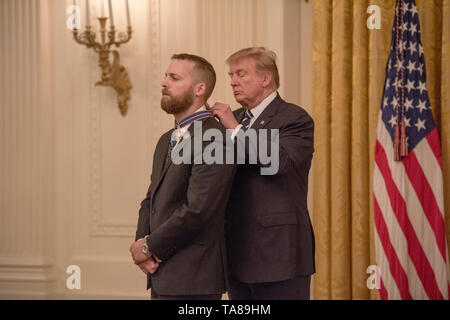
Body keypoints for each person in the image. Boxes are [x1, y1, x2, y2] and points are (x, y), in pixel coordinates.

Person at [211, 47, 315, 300]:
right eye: (231, 75)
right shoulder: (229, 121)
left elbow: (277, 161)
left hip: (279, 253)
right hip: (235, 251)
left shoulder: (294, 118)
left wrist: (235, 129)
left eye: (241, 74)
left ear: (265, 79)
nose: (233, 81)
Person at [130, 53, 235, 300]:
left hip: (194, 277)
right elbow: (150, 201)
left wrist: (149, 247)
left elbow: (198, 209)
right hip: (162, 272)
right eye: (165, 76)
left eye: (174, 78)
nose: (164, 83)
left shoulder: (213, 138)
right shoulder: (166, 140)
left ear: (200, 89)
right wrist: (140, 244)